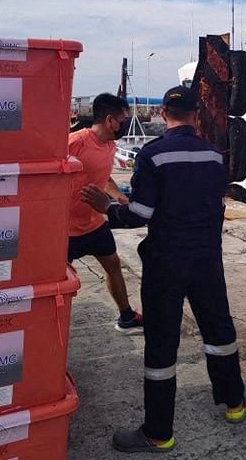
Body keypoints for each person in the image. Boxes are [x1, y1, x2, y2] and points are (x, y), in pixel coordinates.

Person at [81, 86, 246, 454]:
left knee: (161, 342)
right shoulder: (214, 156)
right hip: (206, 259)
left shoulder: (153, 155)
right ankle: (234, 402)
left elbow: (141, 214)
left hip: (165, 262)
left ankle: (159, 433)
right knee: (218, 330)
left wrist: (106, 207)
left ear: (163, 115)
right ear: (196, 114)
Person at [68, 93, 143, 333]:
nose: (125, 123)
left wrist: (118, 195)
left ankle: (126, 316)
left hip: (94, 224)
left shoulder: (110, 145)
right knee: (62, 284)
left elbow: (103, 175)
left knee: (113, 264)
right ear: (110, 120)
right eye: (123, 119)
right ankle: (53, 329)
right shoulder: (74, 142)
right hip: (63, 229)